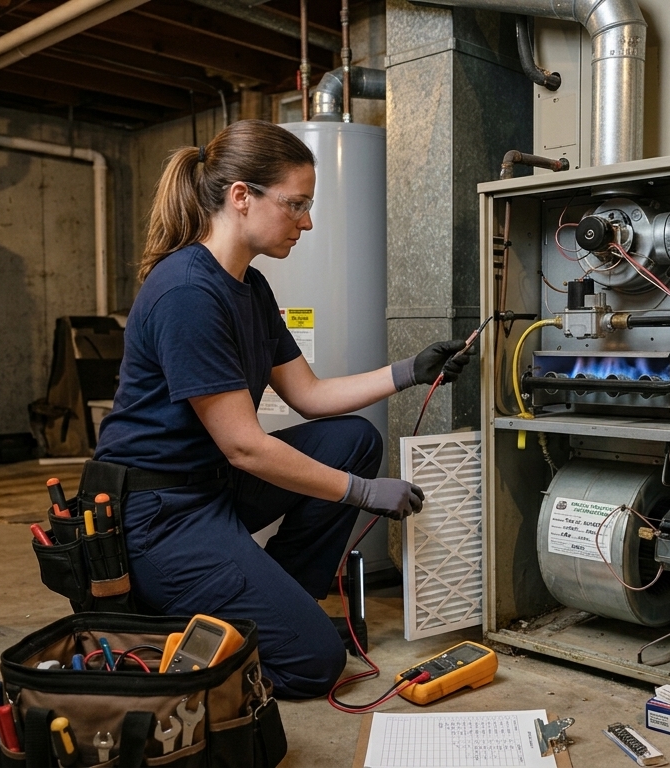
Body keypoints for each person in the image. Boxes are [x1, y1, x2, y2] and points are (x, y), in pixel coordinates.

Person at [93, 119, 471, 699]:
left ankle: (276, 600)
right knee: (312, 666)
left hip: (211, 490)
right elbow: (244, 444)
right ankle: (164, 613)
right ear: (241, 197)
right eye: (296, 204)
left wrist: (410, 371)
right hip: (158, 516)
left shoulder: (251, 286)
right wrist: (361, 493)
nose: (308, 221)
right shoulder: (188, 292)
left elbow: (309, 396)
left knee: (354, 439)